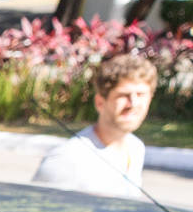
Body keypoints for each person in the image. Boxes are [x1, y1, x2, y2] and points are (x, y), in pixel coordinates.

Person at [33, 51, 156, 198]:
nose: (134, 104)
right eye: (123, 95)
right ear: (100, 103)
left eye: (141, 94)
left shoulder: (135, 148)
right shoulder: (67, 159)